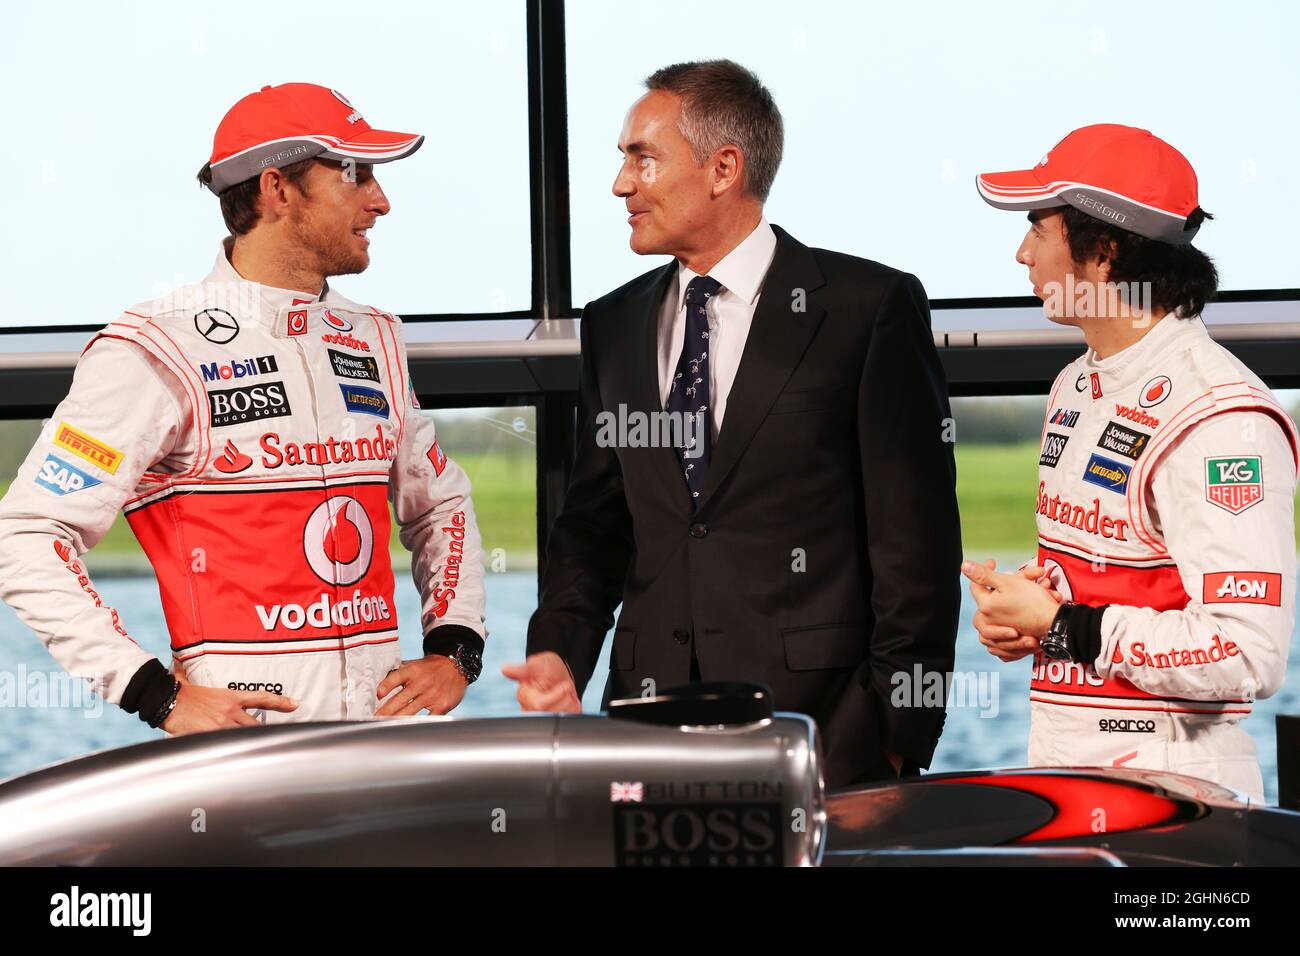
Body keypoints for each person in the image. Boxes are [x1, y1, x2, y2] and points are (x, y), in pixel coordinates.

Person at [504, 60, 962, 788]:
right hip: (644, 735)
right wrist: (560, 652)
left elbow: (919, 553)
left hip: (826, 738)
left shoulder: (865, 309)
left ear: (723, 168)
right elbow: (594, 526)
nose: (622, 185)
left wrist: (895, 741)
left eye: (642, 159)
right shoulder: (613, 324)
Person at [0, 83, 486, 734]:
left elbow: (439, 505)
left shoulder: (374, 336)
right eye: (356, 174)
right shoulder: (156, 346)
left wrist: (456, 647)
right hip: (241, 764)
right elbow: (27, 536)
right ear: (277, 189)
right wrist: (154, 694)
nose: (382, 201)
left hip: (380, 748)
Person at [964, 124, 1297, 799]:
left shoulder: (1222, 419)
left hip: (1179, 802)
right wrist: (1035, 620)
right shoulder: (1075, 383)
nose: (1021, 253)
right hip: (1068, 777)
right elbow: (1111, 589)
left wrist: (1061, 625)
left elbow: (1245, 654)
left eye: (1039, 229)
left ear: (1105, 252)